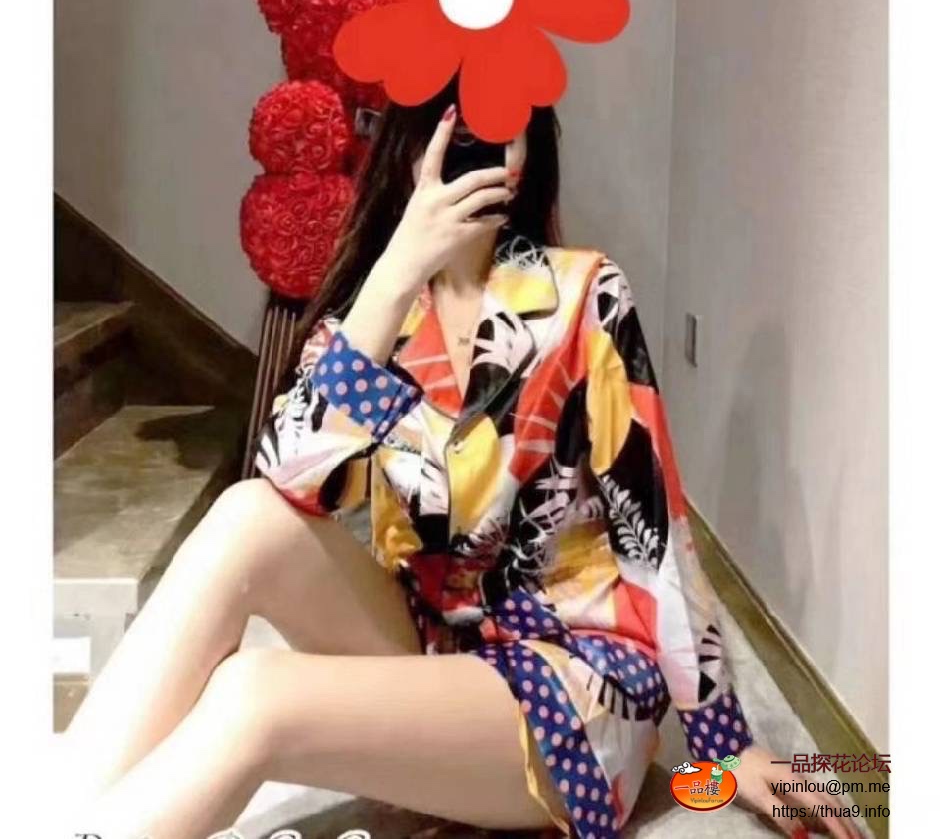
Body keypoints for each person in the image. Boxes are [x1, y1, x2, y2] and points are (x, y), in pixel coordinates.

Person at [61, 81, 859, 839]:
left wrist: (724, 743)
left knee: (254, 695)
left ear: (529, 152)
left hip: (573, 679)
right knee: (245, 516)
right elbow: (290, 477)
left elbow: (651, 531)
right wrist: (396, 272)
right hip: (438, 648)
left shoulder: (584, 297)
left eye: (502, 128)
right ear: (410, 149)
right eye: (453, 131)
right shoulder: (378, 319)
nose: (479, 152)